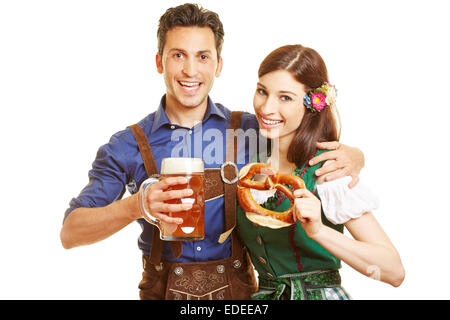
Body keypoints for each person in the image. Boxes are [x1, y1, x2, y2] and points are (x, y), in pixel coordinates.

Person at [60, 4, 365, 300]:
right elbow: (71, 232)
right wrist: (137, 205)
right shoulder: (126, 145)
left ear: (218, 65)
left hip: (240, 295)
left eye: (202, 57)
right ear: (159, 62)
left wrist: (355, 155)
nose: (190, 70)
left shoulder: (253, 129)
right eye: (177, 55)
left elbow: (307, 139)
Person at [236, 44, 405, 300]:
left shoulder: (328, 169)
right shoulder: (252, 168)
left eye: (285, 97)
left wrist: (319, 231)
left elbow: (393, 271)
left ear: (311, 105)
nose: (266, 107)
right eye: (262, 91)